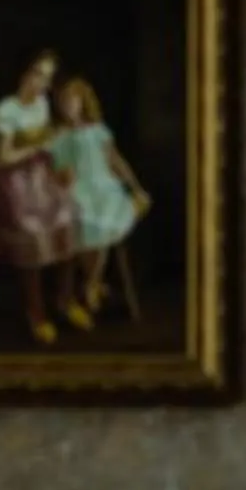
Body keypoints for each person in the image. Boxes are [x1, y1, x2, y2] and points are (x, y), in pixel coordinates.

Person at [0, 50, 81, 342]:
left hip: (39, 176)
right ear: (23, 74)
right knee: (33, 229)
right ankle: (36, 313)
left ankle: (65, 299)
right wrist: (37, 147)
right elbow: (3, 158)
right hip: (9, 181)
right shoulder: (7, 109)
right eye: (38, 74)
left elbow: (47, 146)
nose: (43, 83)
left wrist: (59, 158)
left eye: (48, 77)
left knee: (68, 215)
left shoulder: (42, 104)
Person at [48, 76, 152, 319]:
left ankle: (91, 282)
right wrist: (61, 179)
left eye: (71, 100)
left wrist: (135, 186)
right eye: (63, 101)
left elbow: (115, 161)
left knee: (104, 219)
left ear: (82, 103)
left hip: (104, 187)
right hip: (76, 189)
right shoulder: (58, 135)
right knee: (83, 219)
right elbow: (54, 169)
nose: (67, 105)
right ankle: (91, 284)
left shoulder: (98, 131)